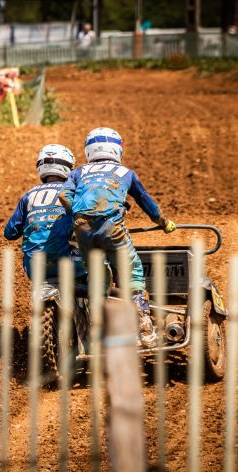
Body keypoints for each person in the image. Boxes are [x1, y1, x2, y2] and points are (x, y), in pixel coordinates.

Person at [59, 127, 177, 348]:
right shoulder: (126, 173)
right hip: (112, 226)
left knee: (97, 278)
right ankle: (145, 332)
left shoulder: (79, 172)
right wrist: (164, 222)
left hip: (83, 229)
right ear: (117, 149)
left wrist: (78, 214)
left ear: (89, 150)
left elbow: (64, 196)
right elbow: (146, 201)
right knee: (133, 273)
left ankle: (98, 334)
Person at [4, 144, 88, 284]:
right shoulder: (75, 192)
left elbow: (10, 233)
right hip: (71, 264)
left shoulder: (29, 195)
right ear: (69, 167)